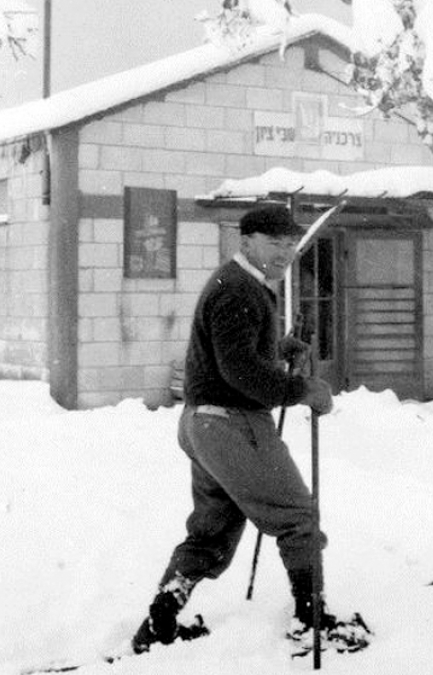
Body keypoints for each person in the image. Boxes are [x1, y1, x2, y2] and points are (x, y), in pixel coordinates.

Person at [131, 205, 335, 655]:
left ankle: (160, 621)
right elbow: (239, 371)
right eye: (274, 242)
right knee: (297, 516)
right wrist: (301, 390)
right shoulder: (239, 289)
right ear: (246, 241)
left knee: (213, 532)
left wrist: (276, 348)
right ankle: (312, 622)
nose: (284, 253)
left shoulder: (239, 284)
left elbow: (234, 351)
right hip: (232, 423)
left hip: (203, 424)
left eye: (290, 244)